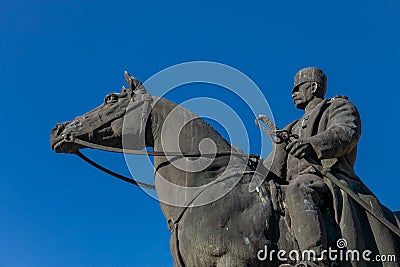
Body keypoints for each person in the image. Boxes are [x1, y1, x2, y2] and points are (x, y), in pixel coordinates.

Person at [264, 67, 400, 267]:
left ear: (313, 87)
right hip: (294, 183)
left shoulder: (338, 107)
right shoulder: (290, 129)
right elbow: (271, 168)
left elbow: (345, 133)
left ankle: (315, 261)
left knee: (299, 188)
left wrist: (311, 145)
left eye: (298, 87)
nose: (293, 93)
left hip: (328, 179)